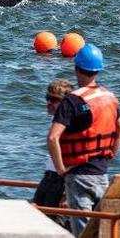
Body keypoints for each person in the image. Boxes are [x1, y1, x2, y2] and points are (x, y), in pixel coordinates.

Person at [47, 44, 120, 236]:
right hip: (102, 175)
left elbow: (52, 137)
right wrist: (110, 155)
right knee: (100, 230)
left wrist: (60, 169)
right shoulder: (110, 97)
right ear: (98, 70)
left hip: (79, 176)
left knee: (83, 233)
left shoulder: (72, 101)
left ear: (76, 68)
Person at [32, 78, 74, 211]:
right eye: (47, 98)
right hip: (49, 177)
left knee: (55, 222)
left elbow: (79, 157)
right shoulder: (57, 123)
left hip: (61, 180)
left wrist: (67, 193)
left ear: (66, 103)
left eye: (54, 100)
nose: (49, 103)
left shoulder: (72, 125)